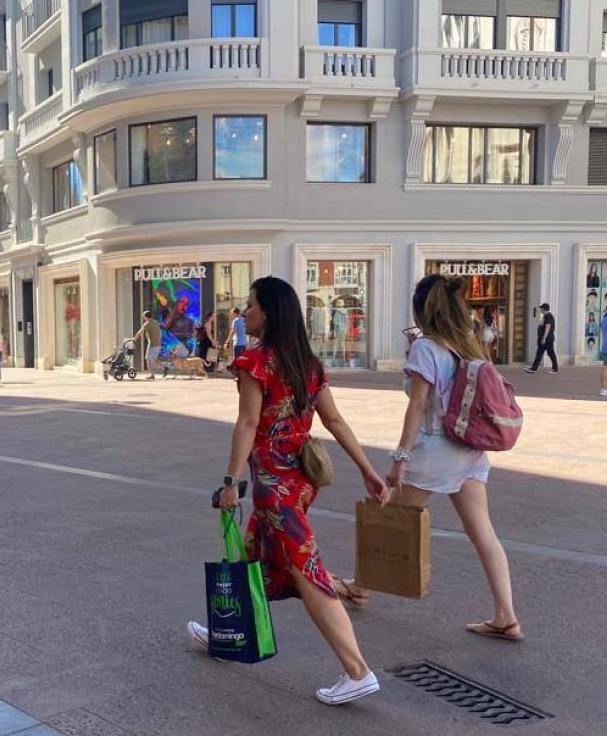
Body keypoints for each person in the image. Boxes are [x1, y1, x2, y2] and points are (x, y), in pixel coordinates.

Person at [187, 276, 389, 706]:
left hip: (274, 487)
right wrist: (368, 470)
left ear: (270, 313)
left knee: (305, 570)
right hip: (298, 483)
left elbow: (247, 423)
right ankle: (228, 631)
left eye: (251, 306)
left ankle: (357, 670)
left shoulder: (255, 362)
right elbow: (334, 422)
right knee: (251, 555)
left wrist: (229, 482)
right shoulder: (307, 364)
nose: (244, 313)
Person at [387, 273, 523, 642]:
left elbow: (417, 407)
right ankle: (506, 615)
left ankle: (360, 586)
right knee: (483, 531)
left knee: (389, 518)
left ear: (421, 310)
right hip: (470, 448)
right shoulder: (467, 344)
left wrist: (401, 456)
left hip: (436, 447)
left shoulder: (427, 348)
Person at [526, 303, 558, 374]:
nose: (540, 310)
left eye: (541, 308)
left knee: (551, 353)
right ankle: (534, 368)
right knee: (539, 353)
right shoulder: (545, 316)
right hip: (543, 339)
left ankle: (555, 369)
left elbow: (547, 327)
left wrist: (544, 338)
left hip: (547, 339)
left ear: (544, 309)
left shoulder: (548, 317)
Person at [134, 310, 163, 380]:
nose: (143, 318)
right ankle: (164, 368)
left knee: (148, 359)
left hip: (152, 344)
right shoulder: (156, 322)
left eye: (143, 316)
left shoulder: (147, 323)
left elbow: (140, 332)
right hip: (158, 344)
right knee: (154, 359)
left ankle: (152, 375)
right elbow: (160, 332)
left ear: (145, 317)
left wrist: (134, 339)